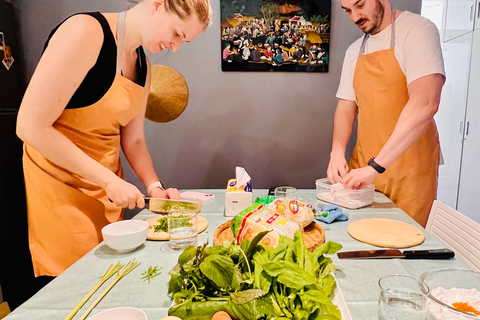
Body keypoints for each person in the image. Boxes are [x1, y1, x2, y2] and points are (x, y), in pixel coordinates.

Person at [16, 0, 212, 277]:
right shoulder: (85, 32)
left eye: (185, 42)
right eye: (177, 34)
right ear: (157, 5)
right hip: (60, 190)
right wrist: (108, 180)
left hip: (106, 194)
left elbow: (133, 141)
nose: (175, 47)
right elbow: (30, 126)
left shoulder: (143, 66)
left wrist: (154, 188)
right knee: (73, 284)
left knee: (104, 278)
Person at [327, 0, 445, 227]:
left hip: (409, 172)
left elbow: (426, 103)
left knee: (402, 247)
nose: (354, 17)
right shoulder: (354, 51)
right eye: (348, 10)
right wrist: (337, 152)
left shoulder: (418, 31)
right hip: (362, 170)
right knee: (361, 242)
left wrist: (376, 167)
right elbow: (345, 107)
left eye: (360, 5)